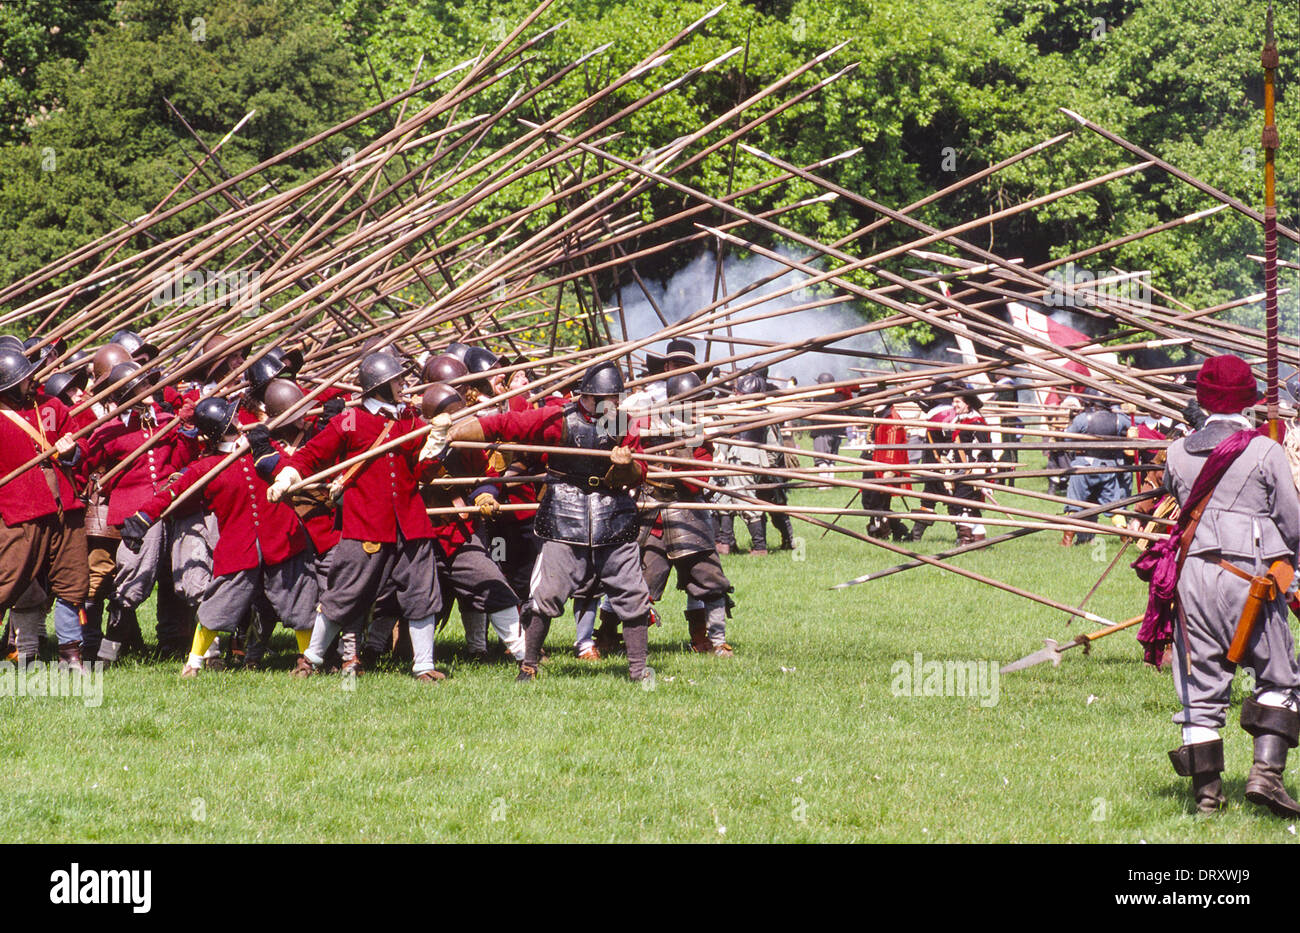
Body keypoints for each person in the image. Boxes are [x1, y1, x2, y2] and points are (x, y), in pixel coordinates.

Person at [438, 360, 655, 682]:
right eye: (607, 397)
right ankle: (529, 665)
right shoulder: (555, 418)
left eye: (615, 398)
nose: (613, 403)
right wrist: (453, 431)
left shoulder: (623, 423)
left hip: (613, 514)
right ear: (589, 396)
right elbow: (506, 424)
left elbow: (639, 475)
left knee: (633, 593)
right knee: (547, 593)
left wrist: (628, 466)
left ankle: (639, 670)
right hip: (564, 514)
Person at [1156, 355, 1300, 817]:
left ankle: (1207, 799)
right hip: (1253, 579)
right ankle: (1265, 776)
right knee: (1279, 675)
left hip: (1193, 579)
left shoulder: (1176, 453)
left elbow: (1180, 497)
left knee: (1199, 687)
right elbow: (1293, 524)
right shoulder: (1265, 450)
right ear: (1248, 401)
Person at [266, 352, 447, 683]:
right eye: (396, 381)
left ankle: (423, 665)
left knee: (423, 593)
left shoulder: (412, 421)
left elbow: (424, 473)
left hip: (410, 522)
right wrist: (286, 476)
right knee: (343, 595)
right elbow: (311, 456)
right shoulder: (349, 422)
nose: (403, 385)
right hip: (366, 523)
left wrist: (436, 444)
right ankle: (311, 659)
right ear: (380, 387)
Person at [120, 397, 319, 677]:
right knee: (216, 606)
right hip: (240, 547)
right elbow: (171, 495)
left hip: (283, 538)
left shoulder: (263, 447)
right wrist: (142, 520)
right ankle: (194, 662)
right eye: (233, 418)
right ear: (224, 425)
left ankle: (306, 661)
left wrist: (264, 448)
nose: (240, 420)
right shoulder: (204, 468)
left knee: (300, 601)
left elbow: (290, 470)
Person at [0, 343, 90, 670]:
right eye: (24, 377)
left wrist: (69, 452)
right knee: (6, 581)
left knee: (72, 582)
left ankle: (71, 654)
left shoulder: (52, 406)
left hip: (65, 506)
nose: (32, 380)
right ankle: (15, 649)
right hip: (18, 511)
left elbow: (79, 450)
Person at [1060, 392, 1129, 546]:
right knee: (1114, 505)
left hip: (1083, 466)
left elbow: (1067, 439)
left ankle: (1067, 540)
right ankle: (1125, 537)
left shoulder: (1083, 419)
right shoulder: (1120, 420)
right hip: (1108, 467)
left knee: (1074, 503)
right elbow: (1130, 429)